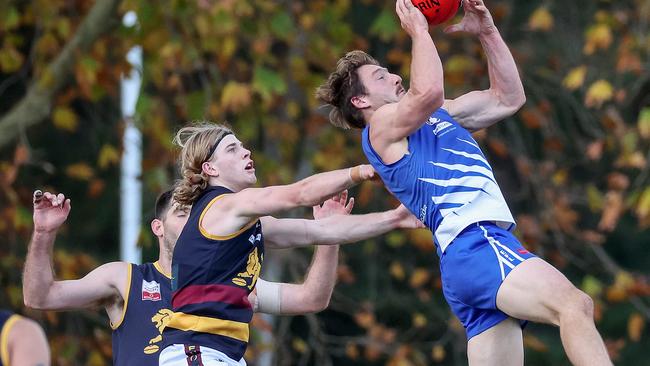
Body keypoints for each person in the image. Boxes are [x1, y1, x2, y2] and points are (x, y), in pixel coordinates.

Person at [315, 0, 612, 365]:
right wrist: (419, 31)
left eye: (389, 71)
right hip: (476, 242)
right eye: (380, 77)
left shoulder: (439, 115)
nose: (395, 77)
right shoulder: (380, 129)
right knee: (574, 304)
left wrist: (487, 31)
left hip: (465, 260)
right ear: (361, 100)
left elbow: (508, 98)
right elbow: (428, 93)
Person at [159, 122, 422, 365]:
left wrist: (395, 219)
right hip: (196, 350)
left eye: (242, 145)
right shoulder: (224, 205)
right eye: (232, 148)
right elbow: (300, 193)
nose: (246, 151)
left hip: (218, 354)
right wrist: (361, 171)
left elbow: (320, 232)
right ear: (210, 169)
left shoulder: (246, 223)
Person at [23, 188, 361, 365]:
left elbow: (311, 298)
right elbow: (40, 297)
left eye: (200, 215)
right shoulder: (125, 279)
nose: (194, 223)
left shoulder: (231, 284)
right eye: (183, 213)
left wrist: (329, 234)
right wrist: (43, 234)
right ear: (158, 227)